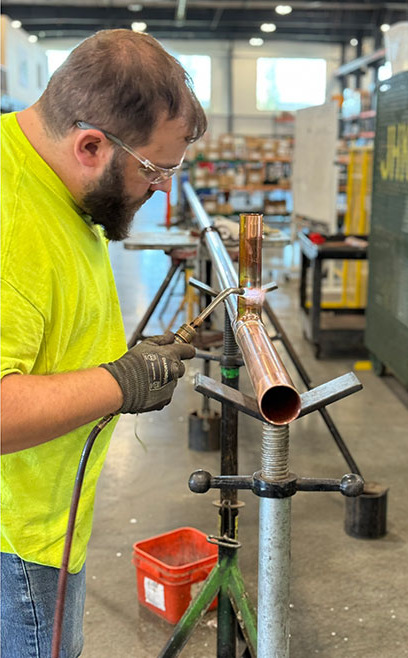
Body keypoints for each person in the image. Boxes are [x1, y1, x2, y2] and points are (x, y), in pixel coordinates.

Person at [0, 28, 207, 657]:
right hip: (17, 544)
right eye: (154, 169)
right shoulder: (12, 224)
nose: (164, 188)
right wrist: (125, 381)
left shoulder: (51, 176)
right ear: (91, 144)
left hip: (46, 518)